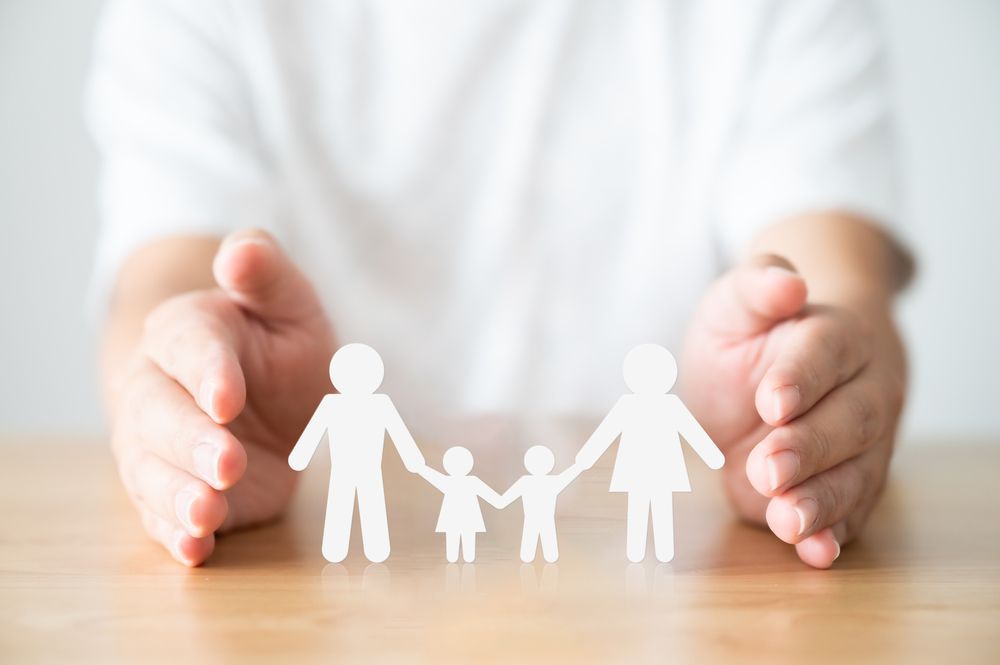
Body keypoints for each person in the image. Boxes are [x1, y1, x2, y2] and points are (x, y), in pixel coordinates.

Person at [90, 0, 911, 568]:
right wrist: (193, 406)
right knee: (361, 517)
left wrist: (802, 384)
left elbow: (834, 284)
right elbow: (164, 287)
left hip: (669, 585)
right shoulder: (198, 14)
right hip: (340, 579)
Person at [575, 344, 725, 563]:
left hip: (657, 470)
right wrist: (586, 457)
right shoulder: (633, 405)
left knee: (656, 508)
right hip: (643, 469)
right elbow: (607, 432)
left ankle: (657, 551)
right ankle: (640, 550)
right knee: (643, 508)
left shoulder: (665, 405)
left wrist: (713, 457)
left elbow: (693, 432)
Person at [287, 344, 425, 563]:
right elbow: (314, 432)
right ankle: (336, 548)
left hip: (368, 469)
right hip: (343, 469)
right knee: (341, 506)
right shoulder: (333, 404)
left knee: (370, 505)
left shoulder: (380, 404)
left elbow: (399, 433)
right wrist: (300, 456)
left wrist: (412, 458)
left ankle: (375, 548)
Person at [497, 446, 583, 563]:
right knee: (544, 554)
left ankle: (536, 559)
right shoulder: (548, 482)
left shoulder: (527, 482)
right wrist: (578, 467)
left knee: (537, 554)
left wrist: (578, 467)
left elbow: (504, 500)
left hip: (538, 519)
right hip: (541, 519)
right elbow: (566, 477)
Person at [418, 447, 504, 563]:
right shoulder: (467, 481)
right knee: (460, 555)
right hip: (462, 519)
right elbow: (494, 498)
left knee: (460, 555)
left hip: (457, 519)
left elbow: (433, 477)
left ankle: (461, 563)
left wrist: (421, 468)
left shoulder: (452, 482)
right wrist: (501, 502)